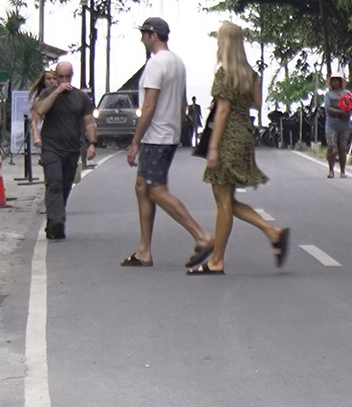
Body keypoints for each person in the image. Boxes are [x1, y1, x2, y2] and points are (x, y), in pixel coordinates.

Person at [192, 21, 290, 275]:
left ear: (225, 43)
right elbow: (257, 104)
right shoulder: (250, 73)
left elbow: (222, 110)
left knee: (223, 203)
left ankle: (216, 261)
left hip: (227, 138)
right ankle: (272, 232)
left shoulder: (225, 73)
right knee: (227, 200)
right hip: (245, 133)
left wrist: (213, 147)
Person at [123, 16, 210, 268]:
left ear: (153, 35)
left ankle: (201, 235)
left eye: (143, 34)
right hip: (169, 133)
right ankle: (144, 250)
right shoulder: (178, 63)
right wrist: (177, 127)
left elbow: (148, 106)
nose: (141, 39)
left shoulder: (156, 64)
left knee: (155, 190)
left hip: (156, 136)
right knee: (142, 186)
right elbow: (183, 103)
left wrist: (135, 142)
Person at [31, 59, 91, 241]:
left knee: (65, 186)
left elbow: (89, 121)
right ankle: (57, 222)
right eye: (61, 77)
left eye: (68, 76)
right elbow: (39, 111)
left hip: (72, 149)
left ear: (72, 76)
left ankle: (53, 221)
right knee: (55, 183)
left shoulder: (81, 97)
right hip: (51, 147)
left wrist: (92, 143)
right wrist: (57, 92)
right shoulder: (47, 94)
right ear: (56, 77)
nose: (65, 80)